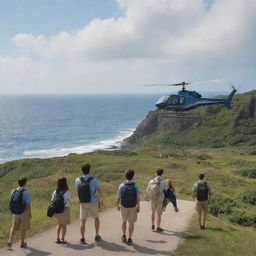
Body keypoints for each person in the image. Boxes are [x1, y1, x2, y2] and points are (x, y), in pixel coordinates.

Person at [75, 163, 103, 244]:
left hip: (83, 202)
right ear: (89, 170)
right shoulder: (94, 180)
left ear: (82, 170)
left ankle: (82, 238)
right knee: (96, 218)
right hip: (93, 201)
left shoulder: (77, 180)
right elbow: (100, 191)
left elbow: (78, 191)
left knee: (82, 221)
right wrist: (101, 199)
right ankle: (97, 236)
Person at [117, 169, 140, 246]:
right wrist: (138, 206)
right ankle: (130, 238)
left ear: (125, 176)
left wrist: (117, 205)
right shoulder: (135, 185)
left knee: (124, 221)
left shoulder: (122, 185)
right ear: (132, 176)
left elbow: (118, 197)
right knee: (131, 223)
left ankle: (124, 235)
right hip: (133, 206)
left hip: (123, 206)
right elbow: (137, 197)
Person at [8, 177, 32, 250]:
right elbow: (28, 205)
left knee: (14, 227)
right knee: (23, 228)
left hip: (15, 212)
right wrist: (30, 214)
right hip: (24, 212)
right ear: (25, 183)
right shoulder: (26, 192)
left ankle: (10, 241)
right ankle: (22, 243)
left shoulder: (13, 191)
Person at [146, 168, 168, 232]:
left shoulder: (151, 181)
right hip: (160, 199)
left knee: (153, 212)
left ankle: (152, 225)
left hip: (153, 199)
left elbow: (148, 190)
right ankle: (158, 227)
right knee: (159, 214)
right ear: (162, 173)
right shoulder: (164, 181)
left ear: (156, 173)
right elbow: (166, 189)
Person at [51, 177, 71, 244]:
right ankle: (62, 239)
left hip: (57, 210)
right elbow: (68, 200)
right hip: (65, 209)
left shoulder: (54, 192)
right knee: (64, 225)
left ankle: (57, 238)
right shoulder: (67, 192)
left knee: (59, 224)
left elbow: (52, 200)